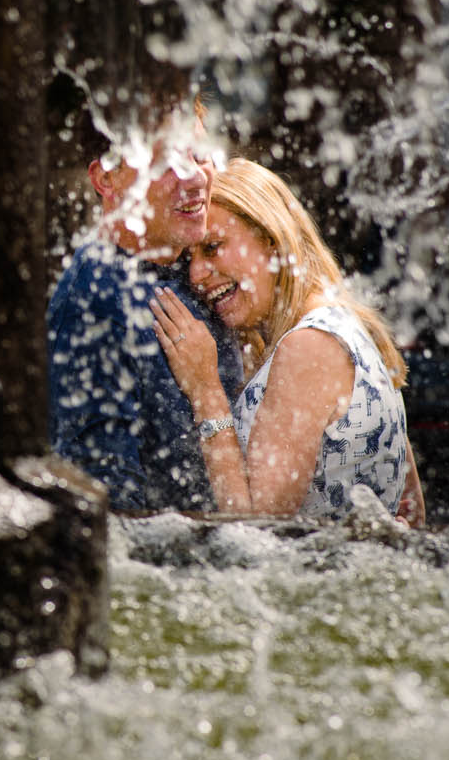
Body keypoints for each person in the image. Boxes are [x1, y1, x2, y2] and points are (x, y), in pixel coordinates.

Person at [148, 158, 426, 525]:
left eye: (212, 247)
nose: (197, 274)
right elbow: (411, 511)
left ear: (270, 239)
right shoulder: (347, 325)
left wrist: (205, 390)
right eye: (189, 260)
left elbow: (258, 530)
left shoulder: (309, 347)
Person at [45, 78, 242, 512]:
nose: (196, 176)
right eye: (168, 161)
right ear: (106, 179)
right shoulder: (95, 299)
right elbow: (112, 508)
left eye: (198, 153)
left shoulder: (199, 261)